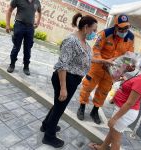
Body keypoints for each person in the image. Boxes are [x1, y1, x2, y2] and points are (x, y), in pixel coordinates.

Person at [88, 52, 141, 150]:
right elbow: (133, 91)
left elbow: (130, 103)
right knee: (113, 133)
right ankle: (103, 147)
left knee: (116, 140)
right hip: (124, 111)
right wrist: (126, 82)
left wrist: (114, 119)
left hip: (125, 113)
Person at [40, 13, 97, 148]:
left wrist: (105, 61)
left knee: (58, 105)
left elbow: (88, 59)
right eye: (93, 30)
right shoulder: (71, 41)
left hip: (73, 79)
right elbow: (62, 65)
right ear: (85, 27)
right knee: (60, 108)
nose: (94, 33)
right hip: (65, 78)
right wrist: (64, 88)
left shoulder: (84, 43)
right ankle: (49, 136)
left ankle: (46, 125)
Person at [77, 14, 135, 124]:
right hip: (98, 67)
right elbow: (96, 49)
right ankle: (82, 106)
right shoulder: (105, 33)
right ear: (116, 26)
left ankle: (95, 111)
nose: (124, 30)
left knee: (104, 91)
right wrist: (103, 61)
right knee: (88, 86)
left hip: (112, 70)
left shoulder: (130, 38)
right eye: (121, 28)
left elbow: (128, 56)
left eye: (126, 27)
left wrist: (126, 67)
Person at [6, 0, 42, 75]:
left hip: (30, 28)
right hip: (19, 25)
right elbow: (9, 10)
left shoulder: (37, 2)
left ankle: (26, 66)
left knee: (28, 48)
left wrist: (38, 22)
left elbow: (39, 11)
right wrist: (8, 25)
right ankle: (12, 64)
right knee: (16, 47)